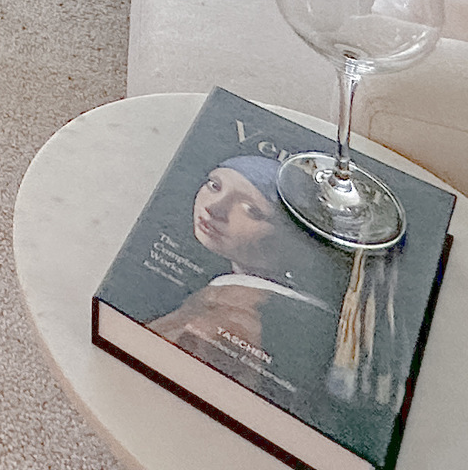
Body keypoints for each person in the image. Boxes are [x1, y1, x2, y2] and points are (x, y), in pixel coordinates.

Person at [146, 154, 345, 400]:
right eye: (214, 185)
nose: (213, 208)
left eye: (252, 210)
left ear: (296, 243)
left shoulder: (246, 313)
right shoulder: (227, 290)